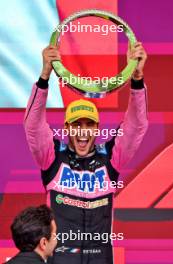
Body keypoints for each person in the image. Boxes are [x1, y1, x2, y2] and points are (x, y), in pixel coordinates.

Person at [24, 42, 148, 264]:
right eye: (76, 124)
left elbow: (137, 126)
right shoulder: (52, 157)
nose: (82, 130)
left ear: (97, 129)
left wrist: (137, 79)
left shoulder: (110, 158)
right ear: (68, 128)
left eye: (89, 124)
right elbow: (33, 126)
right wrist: (44, 76)